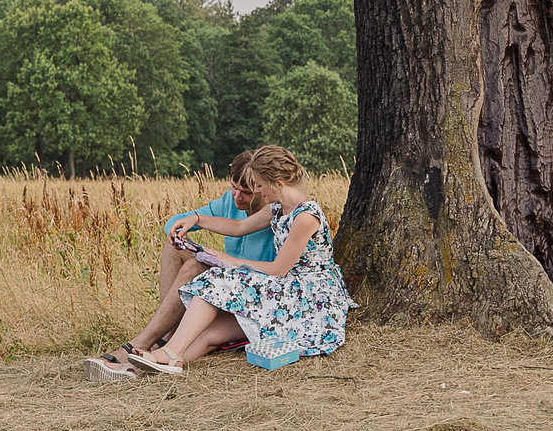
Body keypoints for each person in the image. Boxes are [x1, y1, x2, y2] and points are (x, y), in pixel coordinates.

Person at [127, 144, 354, 374]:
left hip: (307, 296)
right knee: (211, 326)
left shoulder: (306, 216)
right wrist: (196, 219)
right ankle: (166, 359)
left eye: (259, 184)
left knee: (218, 279)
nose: (257, 190)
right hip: (286, 288)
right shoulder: (278, 208)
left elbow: (279, 269)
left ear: (276, 182)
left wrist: (233, 262)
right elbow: (239, 227)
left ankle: (169, 352)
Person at [83, 150, 276, 379]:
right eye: (234, 187)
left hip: (251, 289)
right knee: (175, 250)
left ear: (262, 188)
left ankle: (141, 346)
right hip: (227, 281)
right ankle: (166, 333)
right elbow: (174, 223)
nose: (237, 197)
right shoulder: (228, 202)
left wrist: (225, 262)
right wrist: (181, 235)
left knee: (195, 267)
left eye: (245, 192)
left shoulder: (275, 211)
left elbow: (271, 266)